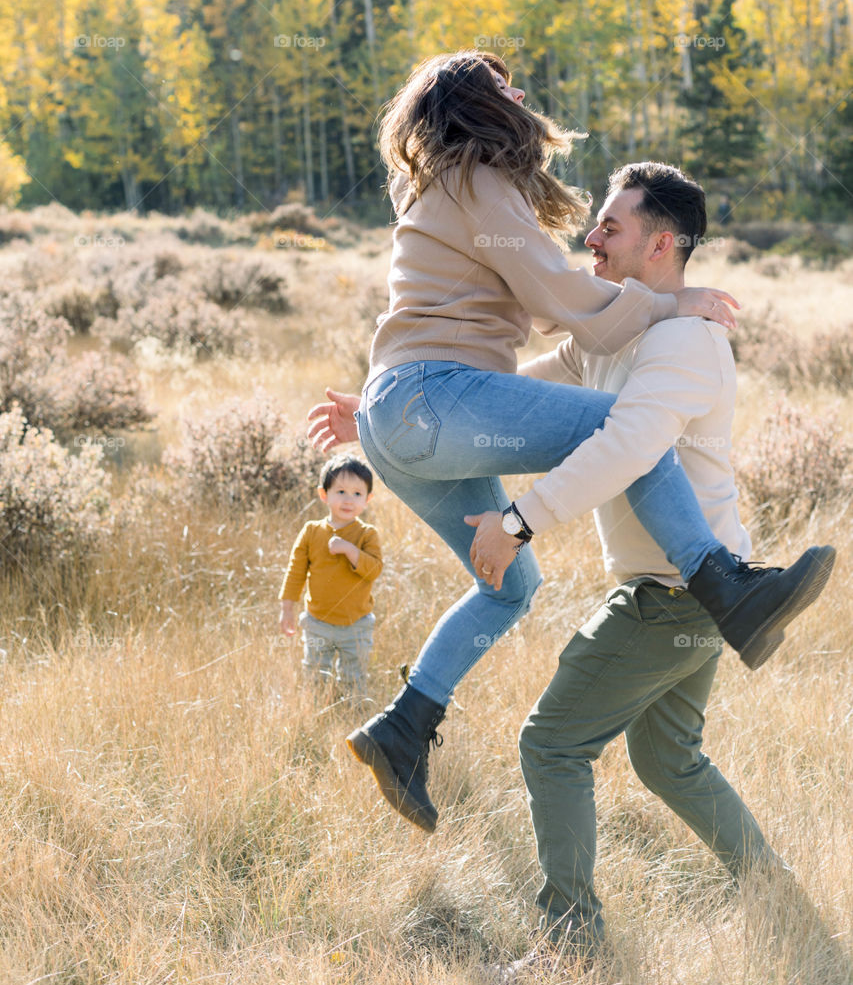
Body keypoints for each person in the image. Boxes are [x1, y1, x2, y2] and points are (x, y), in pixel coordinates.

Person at [306, 50, 833, 835]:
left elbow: (541, 343)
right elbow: (554, 295)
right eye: (501, 84)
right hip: (424, 398)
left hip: (411, 411)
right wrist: (669, 302)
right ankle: (720, 582)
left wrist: (382, 419)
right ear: (472, 102)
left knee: (509, 587)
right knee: (615, 427)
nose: (519, 94)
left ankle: (404, 726)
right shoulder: (473, 175)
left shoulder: (446, 182)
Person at [505, 162, 790, 969]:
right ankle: (771, 893)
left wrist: (518, 521)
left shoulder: (682, 341)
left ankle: (570, 944)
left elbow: (626, 448)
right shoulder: (614, 327)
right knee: (668, 757)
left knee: (550, 745)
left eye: (610, 227)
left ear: (661, 244)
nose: (590, 238)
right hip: (695, 594)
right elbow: (520, 391)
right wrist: (392, 411)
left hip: (678, 593)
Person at [278, 454, 382, 698]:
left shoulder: (367, 535)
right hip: (318, 622)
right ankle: (315, 710)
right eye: (341, 491)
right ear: (324, 494)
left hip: (357, 623)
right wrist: (287, 607)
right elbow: (295, 571)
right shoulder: (312, 531)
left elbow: (374, 570)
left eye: (357, 494)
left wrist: (350, 551)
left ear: (368, 499)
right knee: (315, 673)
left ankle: (352, 711)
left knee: (354, 676)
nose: (349, 500)